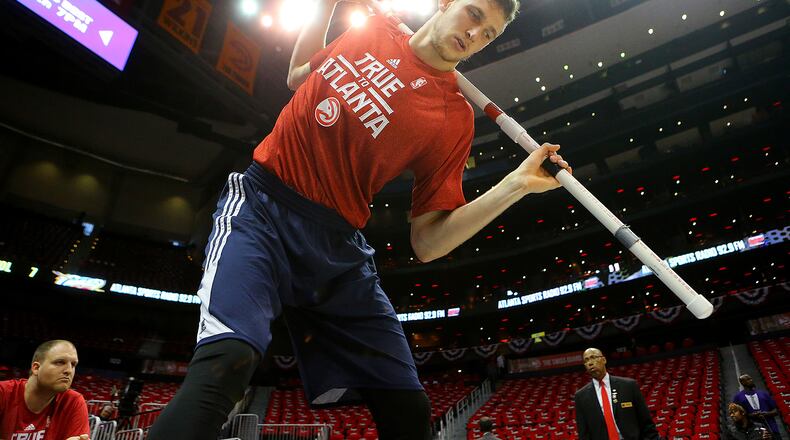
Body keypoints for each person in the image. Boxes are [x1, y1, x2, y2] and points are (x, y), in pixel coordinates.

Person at [148, 0, 572, 437]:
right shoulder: (371, 29)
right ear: (445, 3)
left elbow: (428, 242)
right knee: (229, 360)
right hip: (261, 212)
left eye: (490, 34)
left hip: (338, 252)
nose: (476, 34)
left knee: (408, 410)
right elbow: (298, 76)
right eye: (474, 14)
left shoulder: (453, 118)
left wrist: (516, 184)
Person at [0, 340, 90, 440]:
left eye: (73, 364)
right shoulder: (3, 392)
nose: (69, 370)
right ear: (36, 368)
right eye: (60, 362)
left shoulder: (73, 401)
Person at [574, 348, 658, 440]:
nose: (590, 362)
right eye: (586, 360)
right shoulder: (581, 396)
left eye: (593, 357)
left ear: (604, 360)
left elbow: (646, 423)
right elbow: (584, 433)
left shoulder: (628, 386)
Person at [733, 374, 782, 439]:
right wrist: (750, 415)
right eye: (748, 379)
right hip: (753, 433)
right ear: (742, 382)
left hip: (771, 428)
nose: (751, 380)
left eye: (751, 379)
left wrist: (766, 414)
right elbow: (738, 416)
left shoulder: (764, 393)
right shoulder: (738, 397)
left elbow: (776, 410)